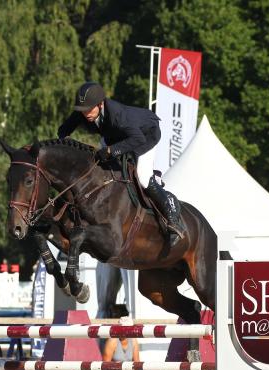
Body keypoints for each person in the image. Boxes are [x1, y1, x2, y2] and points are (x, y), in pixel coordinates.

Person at [57, 81, 185, 246]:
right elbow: (63, 130)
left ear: (100, 104)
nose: (85, 113)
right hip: (116, 135)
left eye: (89, 109)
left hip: (145, 135)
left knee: (143, 177)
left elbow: (137, 139)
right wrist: (63, 143)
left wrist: (111, 151)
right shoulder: (84, 111)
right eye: (83, 110)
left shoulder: (118, 116)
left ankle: (171, 214)